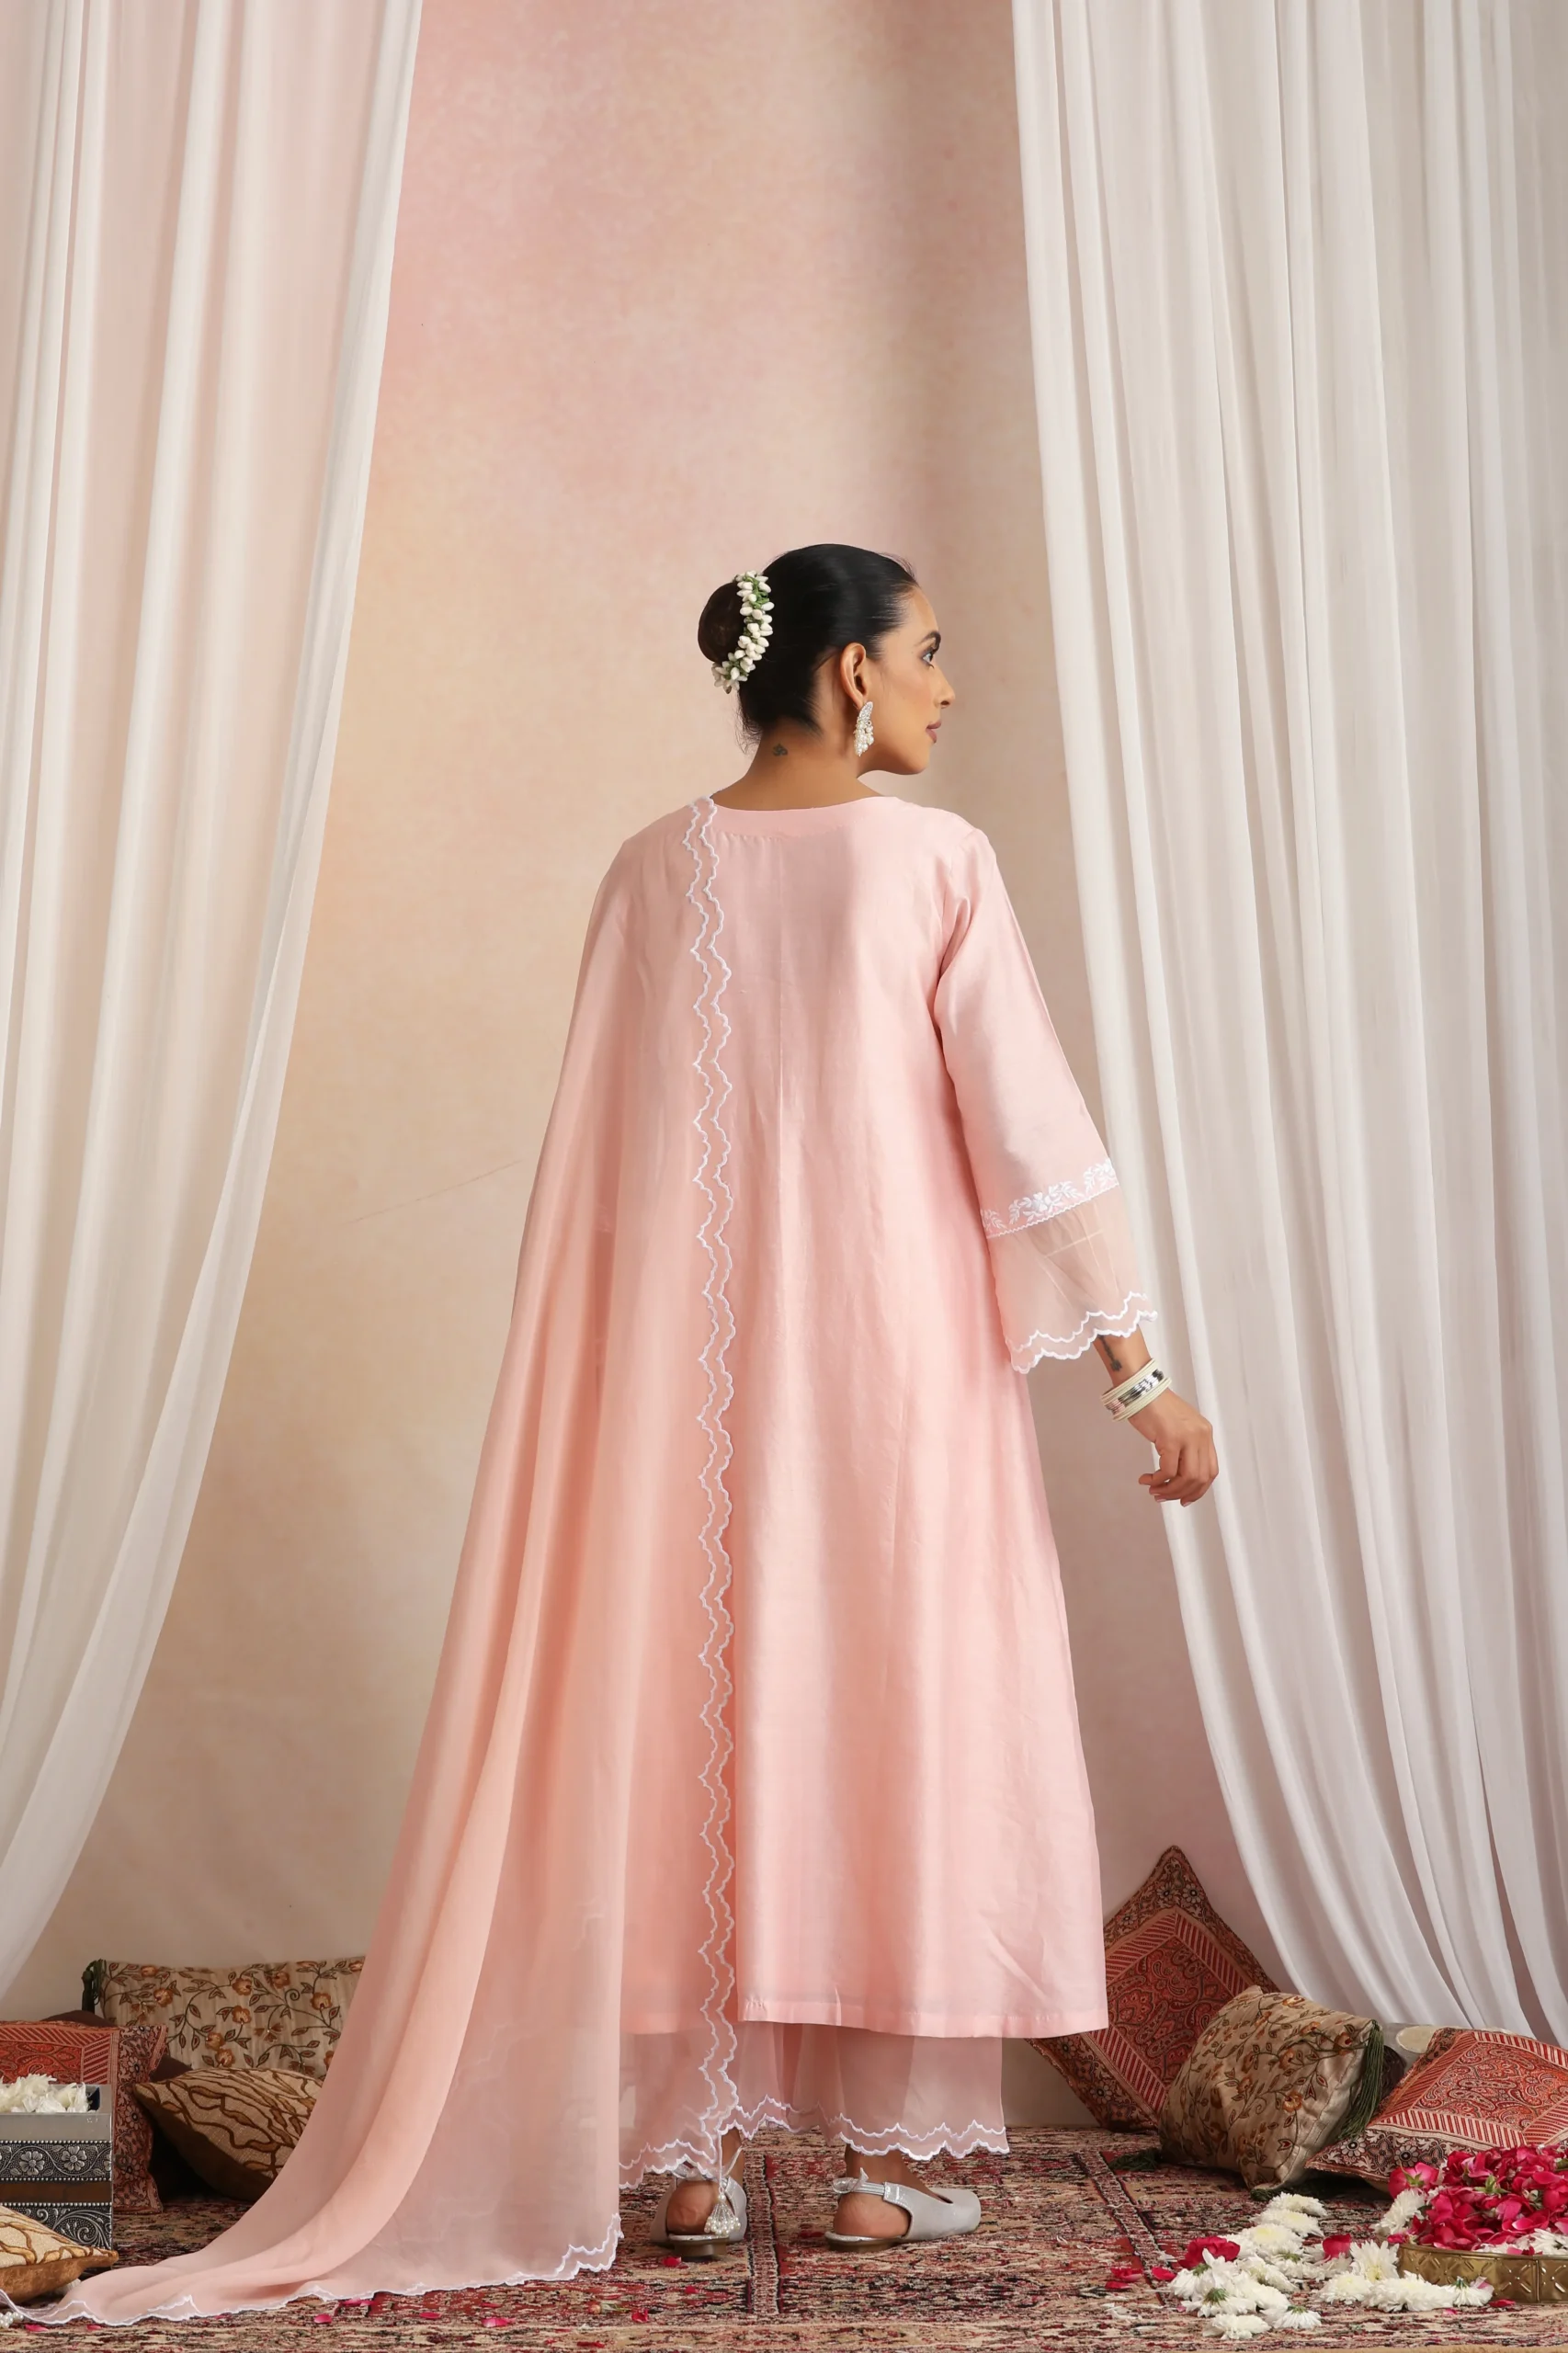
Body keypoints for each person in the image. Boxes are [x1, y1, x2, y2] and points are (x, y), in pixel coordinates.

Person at [53, 544, 1215, 2323]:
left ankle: (688, 2158)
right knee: (889, 1709)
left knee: (689, 1723)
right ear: (848, 673)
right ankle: (880, 2171)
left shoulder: (649, 869)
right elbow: (1026, 1135)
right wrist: (1140, 1376)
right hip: (890, 1381)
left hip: (682, 1393)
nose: (946, 683)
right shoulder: (934, 862)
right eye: (926, 649)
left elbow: (600, 1172)